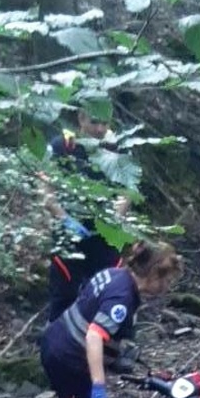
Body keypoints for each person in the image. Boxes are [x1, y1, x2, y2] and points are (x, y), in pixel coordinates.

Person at [38, 241, 183, 398]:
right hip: (67, 358)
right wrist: (98, 384)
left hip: (57, 342)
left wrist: (117, 357)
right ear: (153, 274)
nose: (167, 287)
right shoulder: (123, 297)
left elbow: (92, 314)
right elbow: (94, 335)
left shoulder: (117, 275)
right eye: (166, 280)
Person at [40, 109, 123, 323]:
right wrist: (64, 218)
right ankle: (56, 343)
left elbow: (127, 192)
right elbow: (46, 193)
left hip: (105, 234)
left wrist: (114, 218)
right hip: (69, 233)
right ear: (81, 118)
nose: (100, 129)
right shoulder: (61, 147)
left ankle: (108, 345)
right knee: (64, 291)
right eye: (95, 122)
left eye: (105, 123)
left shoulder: (116, 148)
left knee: (109, 289)